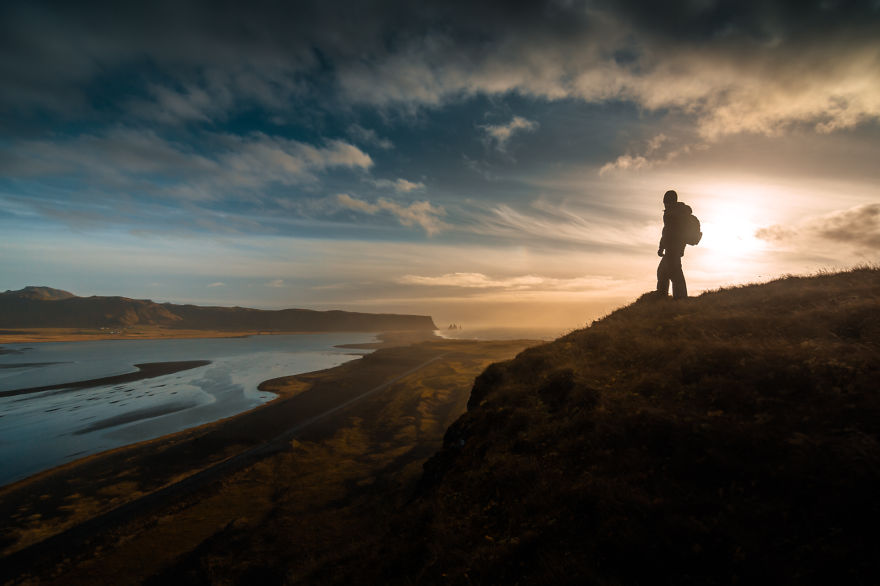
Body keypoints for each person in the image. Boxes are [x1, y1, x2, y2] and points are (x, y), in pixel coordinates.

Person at [657, 189, 690, 299]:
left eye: (665, 202)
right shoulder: (679, 212)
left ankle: (678, 299)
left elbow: (667, 232)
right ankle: (674, 298)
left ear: (669, 201)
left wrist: (661, 248)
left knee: (673, 274)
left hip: (672, 248)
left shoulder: (671, 213)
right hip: (675, 248)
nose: (664, 204)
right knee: (665, 272)